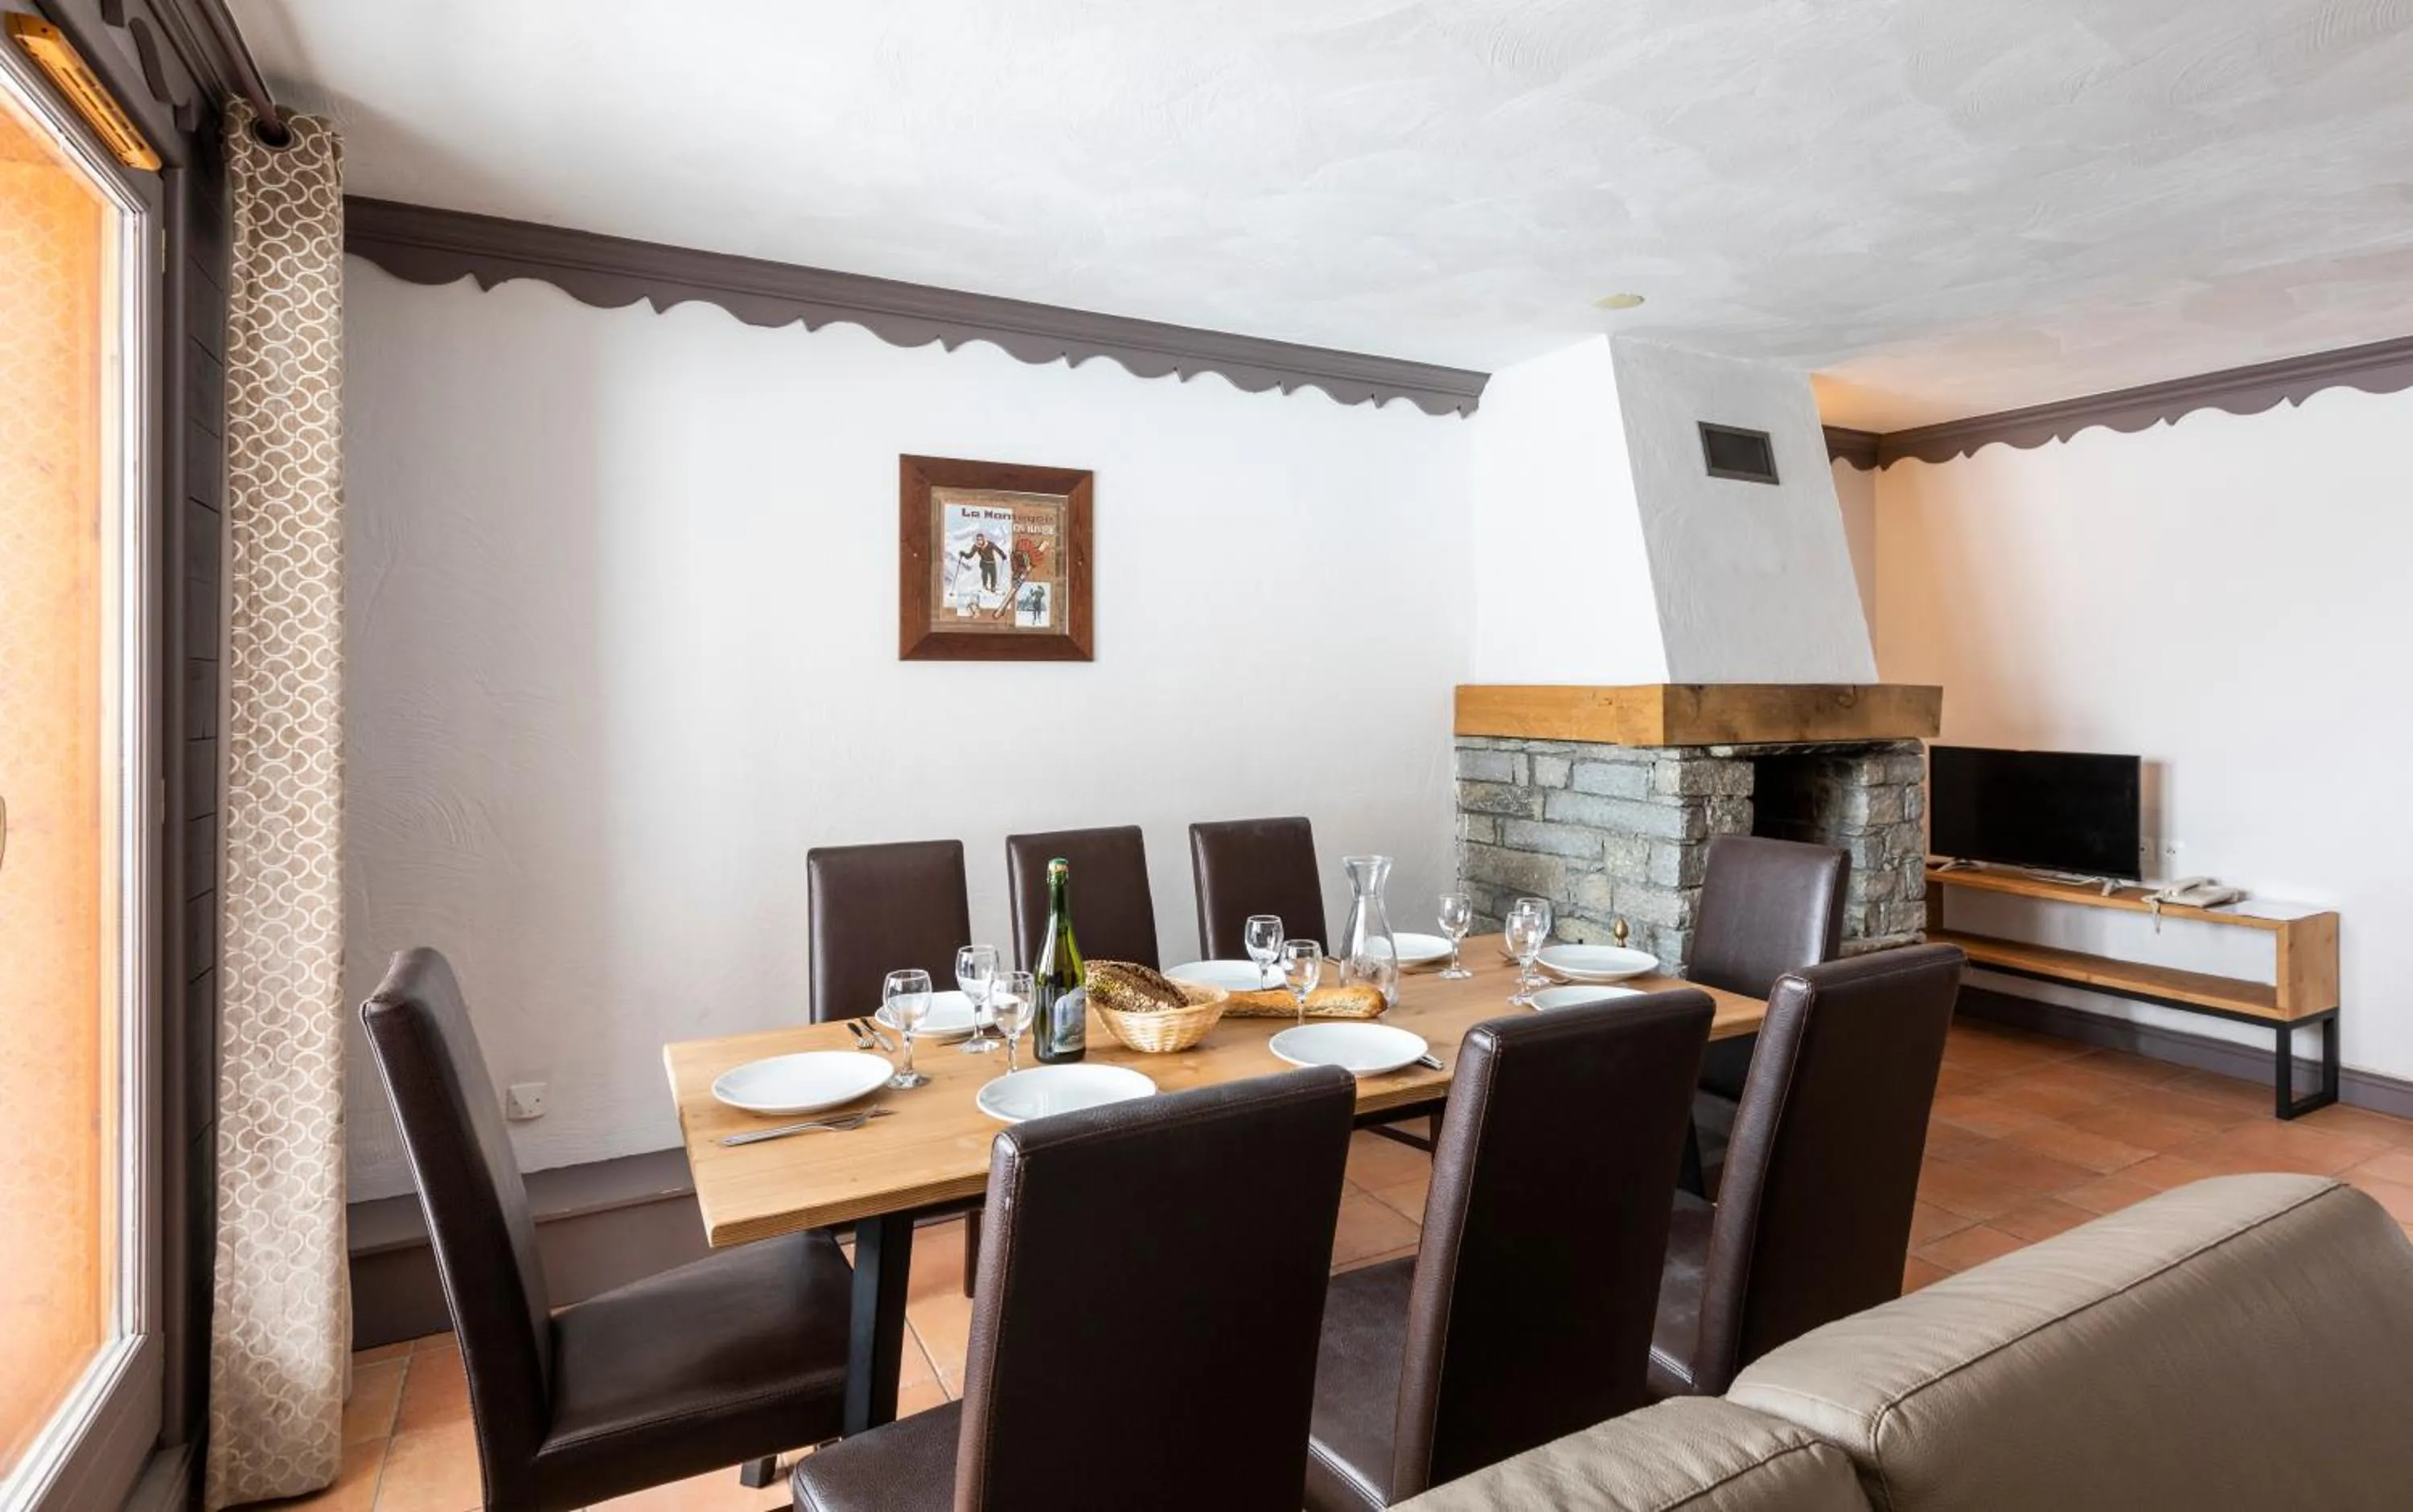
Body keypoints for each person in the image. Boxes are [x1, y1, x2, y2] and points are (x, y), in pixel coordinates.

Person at [958, 530, 1005, 594]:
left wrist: (1002, 555)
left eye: (981, 539)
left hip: (992, 563)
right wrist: (963, 554)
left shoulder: (990, 544)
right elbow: (970, 555)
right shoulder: (976, 547)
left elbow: (998, 550)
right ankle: (985, 587)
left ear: (983, 539)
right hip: (984, 563)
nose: (979, 541)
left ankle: (993, 588)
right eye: (978, 539)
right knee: (984, 576)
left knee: (993, 576)